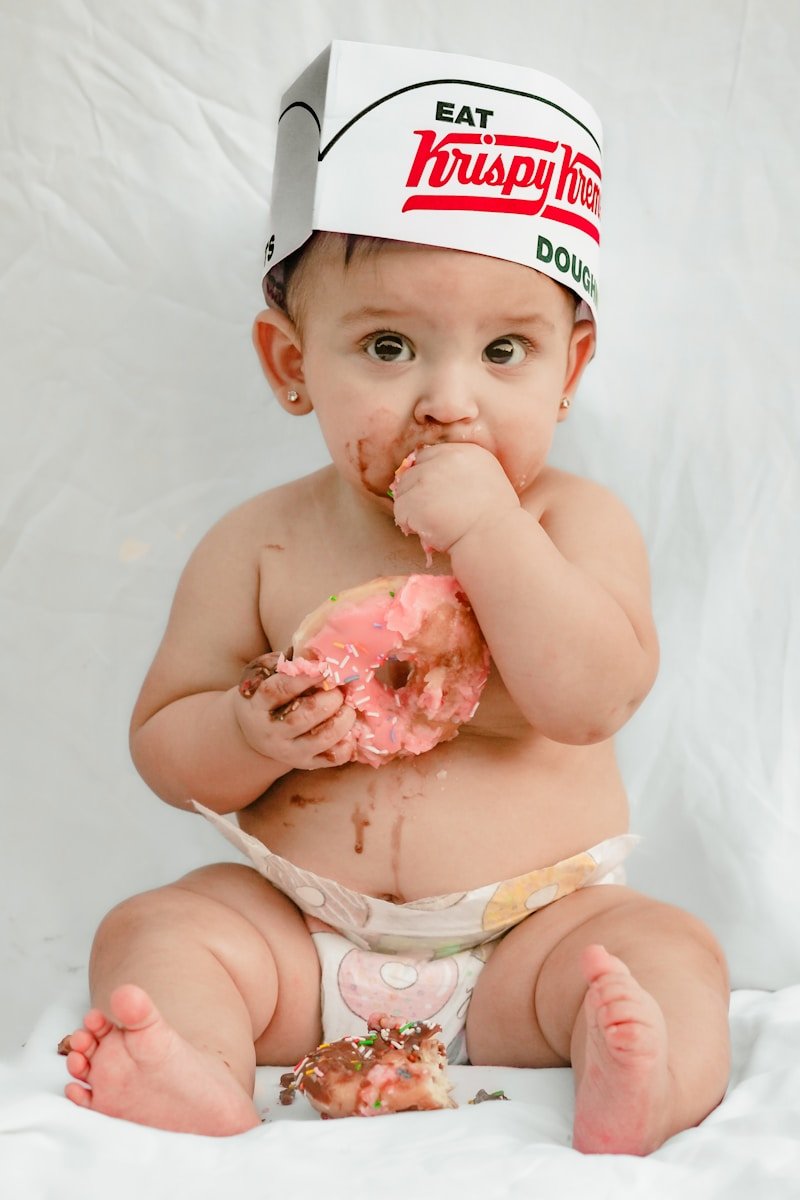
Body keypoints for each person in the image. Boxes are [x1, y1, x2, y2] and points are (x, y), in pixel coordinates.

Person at [62, 43, 730, 1154]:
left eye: (505, 349)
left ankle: (643, 1083)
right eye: (387, 346)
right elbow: (164, 746)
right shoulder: (263, 540)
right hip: (300, 934)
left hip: (531, 937)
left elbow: (590, 698)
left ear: (568, 371)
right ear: (289, 364)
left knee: (666, 950)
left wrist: (488, 533)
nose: (448, 401)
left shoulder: (571, 524)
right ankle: (198, 1069)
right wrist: (245, 729)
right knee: (158, 928)